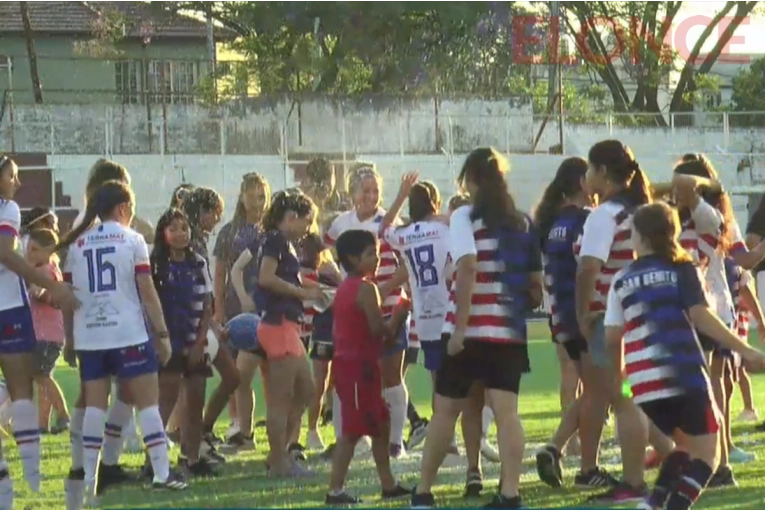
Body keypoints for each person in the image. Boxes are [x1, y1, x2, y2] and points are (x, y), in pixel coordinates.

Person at [603, 202, 765, 510]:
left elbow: (612, 337)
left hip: (643, 385)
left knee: (683, 449)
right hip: (684, 375)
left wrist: (620, 381)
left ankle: (653, 503)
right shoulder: (682, 269)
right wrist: (746, 350)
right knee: (709, 456)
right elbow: (701, 316)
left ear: (641, 237)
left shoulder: (622, 279)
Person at [412, 147, 542, 509]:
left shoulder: (464, 216)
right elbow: (535, 287)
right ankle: (510, 493)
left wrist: (458, 330)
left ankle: (423, 492)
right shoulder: (522, 223)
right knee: (507, 413)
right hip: (509, 334)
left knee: (445, 412)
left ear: (470, 181)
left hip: (468, 332)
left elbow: (468, 267)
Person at [59, 180, 187, 506]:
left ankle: (89, 477)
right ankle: (161, 471)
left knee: (94, 406)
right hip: (128, 332)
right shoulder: (132, 240)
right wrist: (161, 335)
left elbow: (69, 298)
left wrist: (71, 341)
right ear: (123, 208)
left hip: (91, 335)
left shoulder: (77, 244)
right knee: (147, 402)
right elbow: (147, 290)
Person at [574, 140, 653, 502]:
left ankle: (634, 482)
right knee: (632, 396)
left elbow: (588, 267)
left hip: (614, 323)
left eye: (590, 169)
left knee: (624, 400)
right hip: (645, 316)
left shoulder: (603, 215)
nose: (586, 177)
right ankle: (671, 459)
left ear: (603, 173)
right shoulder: (642, 210)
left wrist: (582, 313)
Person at [0, 155, 78, 508]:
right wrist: (43, 281)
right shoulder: (9, 209)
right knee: (22, 393)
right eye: (12, 176)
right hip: (10, 313)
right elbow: (6, 254)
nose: (16, 183)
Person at [324, 165, 410, 458]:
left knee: (391, 375)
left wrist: (377, 295)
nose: (370, 196)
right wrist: (340, 283)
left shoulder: (390, 222)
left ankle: (395, 442)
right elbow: (325, 256)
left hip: (387, 306)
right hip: (353, 310)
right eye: (365, 190)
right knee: (346, 375)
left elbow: (405, 268)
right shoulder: (340, 224)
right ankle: (348, 439)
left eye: (375, 191)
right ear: (352, 193)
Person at [325, 229, 412, 504]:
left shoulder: (346, 288)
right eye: (370, 254)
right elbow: (379, 330)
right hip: (357, 369)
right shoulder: (366, 288)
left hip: (355, 366)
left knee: (381, 422)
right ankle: (334, 490)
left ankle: (388, 484)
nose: (376, 258)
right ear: (352, 258)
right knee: (352, 432)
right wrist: (398, 315)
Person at [533, 157, 593, 488]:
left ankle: (565, 447)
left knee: (584, 382)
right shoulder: (585, 221)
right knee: (615, 385)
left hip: (560, 316)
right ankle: (570, 451)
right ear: (584, 182)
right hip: (583, 317)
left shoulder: (552, 222)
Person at [255, 191, 320, 477]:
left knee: (306, 390)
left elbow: (286, 276)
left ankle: (279, 455)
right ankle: (279, 461)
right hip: (278, 324)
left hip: (287, 325)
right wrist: (301, 293)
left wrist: (317, 290)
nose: (308, 230)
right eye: (307, 222)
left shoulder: (285, 244)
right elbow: (266, 278)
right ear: (292, 217)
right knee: (282, 398)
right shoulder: (276, 240)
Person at [151, 208, 217, 477]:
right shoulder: (157, 265)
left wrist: (201, 341)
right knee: (165, 401)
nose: (181, 234)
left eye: (185, 228)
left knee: (195, 400)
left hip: (194, 340)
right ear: (163, 234)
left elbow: (207, 305)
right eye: (174, 229)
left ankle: (191, 457)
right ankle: (153, 460)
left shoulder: (198, 263)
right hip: (169, 341)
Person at [182, 187, 240, 463]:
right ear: (202, 212)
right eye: (214, 212)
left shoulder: (198, 239)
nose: (217, 218)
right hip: (195, 325)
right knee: (195, 389)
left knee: (231, 377)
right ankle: (193, 445)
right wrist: (209, 325)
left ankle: (201, 434)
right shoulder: (191, 242)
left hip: (204, 322)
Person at [212, 173, 270, 447]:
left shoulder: (270, 229)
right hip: (237, 303)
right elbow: (220, 272)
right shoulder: (230, 231)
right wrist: (219, 308)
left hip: (266, 304)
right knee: (235, 367)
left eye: (261, 195)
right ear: (242, 196)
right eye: (252, 194)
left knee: (267, 368)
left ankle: (269, 420)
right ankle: (237, 422)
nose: (257, 201)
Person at [25, 228, 70, 434]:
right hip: (47, 334)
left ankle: (63, 414)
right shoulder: (49, 268)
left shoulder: (44, 271)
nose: (30, 254)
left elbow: (46, 292)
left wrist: (38, 292)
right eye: (28, 249)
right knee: (43, 376)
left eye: (34, 249)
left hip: (47, 335)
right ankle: (42, 424)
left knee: (39, 374)